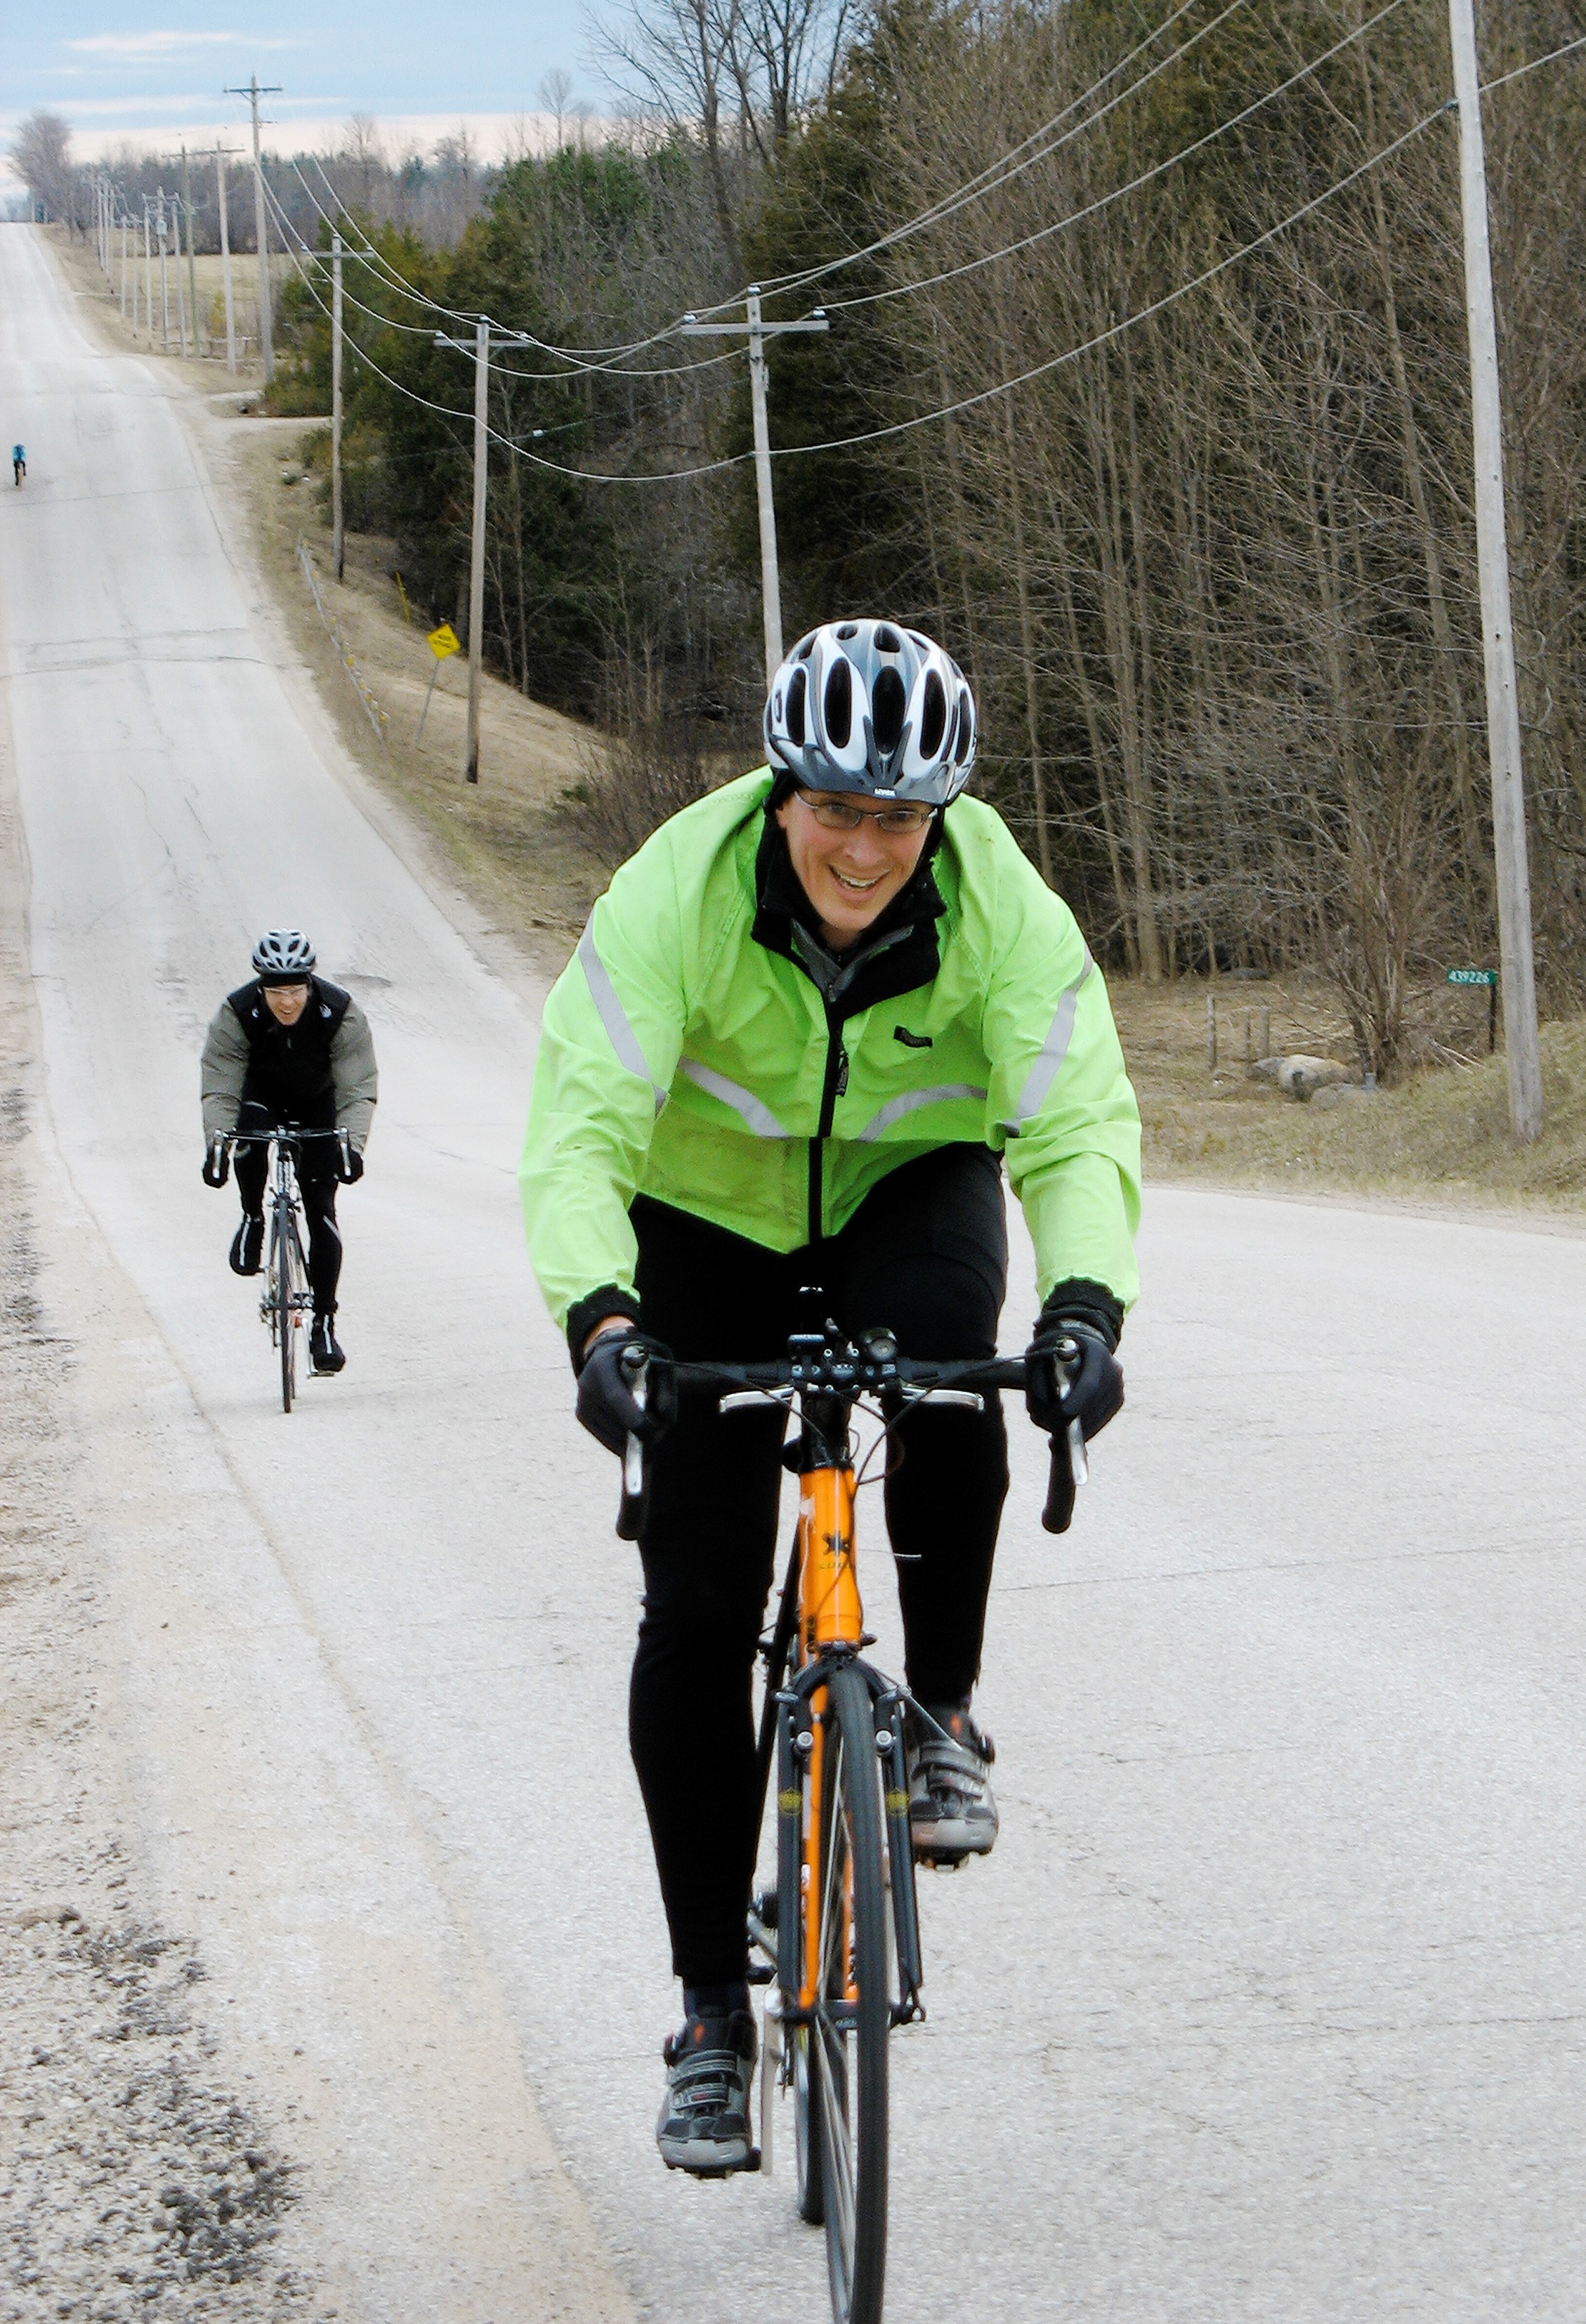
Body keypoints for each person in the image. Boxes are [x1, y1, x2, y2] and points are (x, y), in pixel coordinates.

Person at [520, 618, 1140, 2176]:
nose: (866, 848)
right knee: (698, 1609)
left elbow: (1073, 1115)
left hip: (906, 1194)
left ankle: (936, 1718)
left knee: (950, 1378)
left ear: (940, 817)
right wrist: (603, 1322)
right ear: (781, 791)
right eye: (838, 811)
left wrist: (1083, 1305)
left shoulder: (995, 895)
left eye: (900, 819)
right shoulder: (678, 885)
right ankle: (713, 2021)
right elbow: (582, 1121)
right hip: (705, 1221)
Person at [200, 929, 377, 1376]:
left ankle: (324, 1323)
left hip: (318, 1100)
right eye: (276, 991)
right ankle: (252, 1216)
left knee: (321, 1208)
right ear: (262, 987)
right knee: (248, 1131)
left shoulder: (339, 1013)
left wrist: (351, 1146)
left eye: (295, 990)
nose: (286, 1002)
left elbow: (358, 1087)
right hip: (261, 1097)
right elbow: (220, 1084)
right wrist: (217, 1145)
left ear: (309, 984)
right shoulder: (237, 1012)